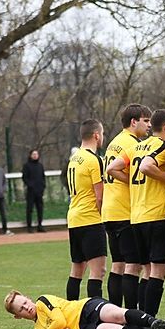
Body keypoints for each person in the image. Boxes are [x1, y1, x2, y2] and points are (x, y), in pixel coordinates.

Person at [107, 109, 165, 317]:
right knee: (158, 272)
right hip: (156, 214)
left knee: (146, 269)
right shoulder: (164, 146)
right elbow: (146, 168)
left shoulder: (136, 147)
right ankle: (149, 320)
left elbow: (112, 168)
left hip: (136, 216)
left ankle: (139, 317)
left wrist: (132, 182)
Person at [102, 104, 151, 309]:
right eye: (145, 121)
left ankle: (114, 311)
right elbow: (116, 171)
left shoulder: (114, 142)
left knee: (118, 265)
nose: (149, 125)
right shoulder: (132, 144)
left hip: (109, 211)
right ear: (133, 122)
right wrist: (132, 181)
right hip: (124, 211)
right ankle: (131, 314)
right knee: (134, 265)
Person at [3, 290, 165, 329]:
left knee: (116, 315)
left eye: (25, 302)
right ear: (18, 316)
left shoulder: (42, 301)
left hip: (85, 308)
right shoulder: (38, 328)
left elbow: (59, 321)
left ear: (28, 298)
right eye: (21, 309)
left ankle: (154, 322)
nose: (27, 308)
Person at [65, 120, 107, 300]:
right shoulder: (93, 159)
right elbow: (100, 196)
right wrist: (103, 217)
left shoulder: (74, 159)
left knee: (77, 269)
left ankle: (70, 310)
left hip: (74, 218)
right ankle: (95, 312)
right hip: (90, 219)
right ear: (96, 135)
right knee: (98, 271)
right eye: (102, 134)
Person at [22, 149, 46, 232]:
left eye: (36, 154)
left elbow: (43, 177)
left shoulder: (40, 166)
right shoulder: (26, 166)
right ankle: (29, 226)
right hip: (31, 192)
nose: (35, 156)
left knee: (40, 209)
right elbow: (24, 178)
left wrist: (43, 186)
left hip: (39, 191)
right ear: (30, 155)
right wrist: (30, 185)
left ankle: (40, 225)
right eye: (33, 154)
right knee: (30, 209)